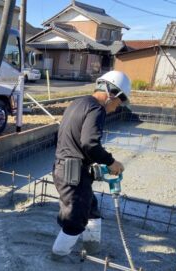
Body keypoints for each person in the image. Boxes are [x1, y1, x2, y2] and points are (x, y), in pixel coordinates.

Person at [51, 71, 131, 257]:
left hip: (68, 168)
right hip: (71, 172)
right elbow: (90, 143)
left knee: (91, 209)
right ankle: (56, 260)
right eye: (118, 104)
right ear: (112, 94)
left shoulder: (78, 103)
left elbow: (69, 139)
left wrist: (89, 164)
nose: (116, 108)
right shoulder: (97, 109)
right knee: (76, 220)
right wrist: (111, 162)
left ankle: (92, 249)